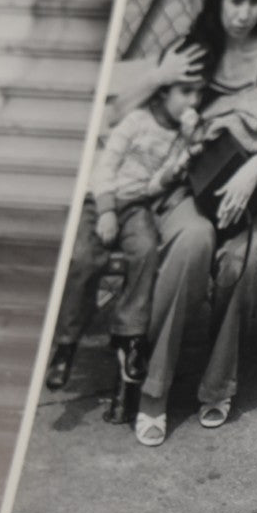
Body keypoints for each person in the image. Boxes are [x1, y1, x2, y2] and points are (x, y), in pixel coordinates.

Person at [119, 0, 257, 447]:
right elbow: (121, 116)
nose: (244, 13)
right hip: (187, 188)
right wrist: (159, 76)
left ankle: (217, 385)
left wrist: (252, 172)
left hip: (251, 186)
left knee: (240, 259)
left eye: (256, 1)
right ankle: (154, 389)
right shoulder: (194, 47)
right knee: (194, 243)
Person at [44, 74, 202, 400]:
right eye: (185, 92)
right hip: (98, 202)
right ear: (163, 92)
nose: (192, 102)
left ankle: (131, 337)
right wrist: (105, 210)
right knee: (83, 257)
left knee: (145, 250)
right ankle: (66, 344)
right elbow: (104, 166)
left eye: (198, 95)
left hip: (134, 207)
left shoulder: (179, 138)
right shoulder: (137, 121)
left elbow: (153, 186)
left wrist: (182, 159)